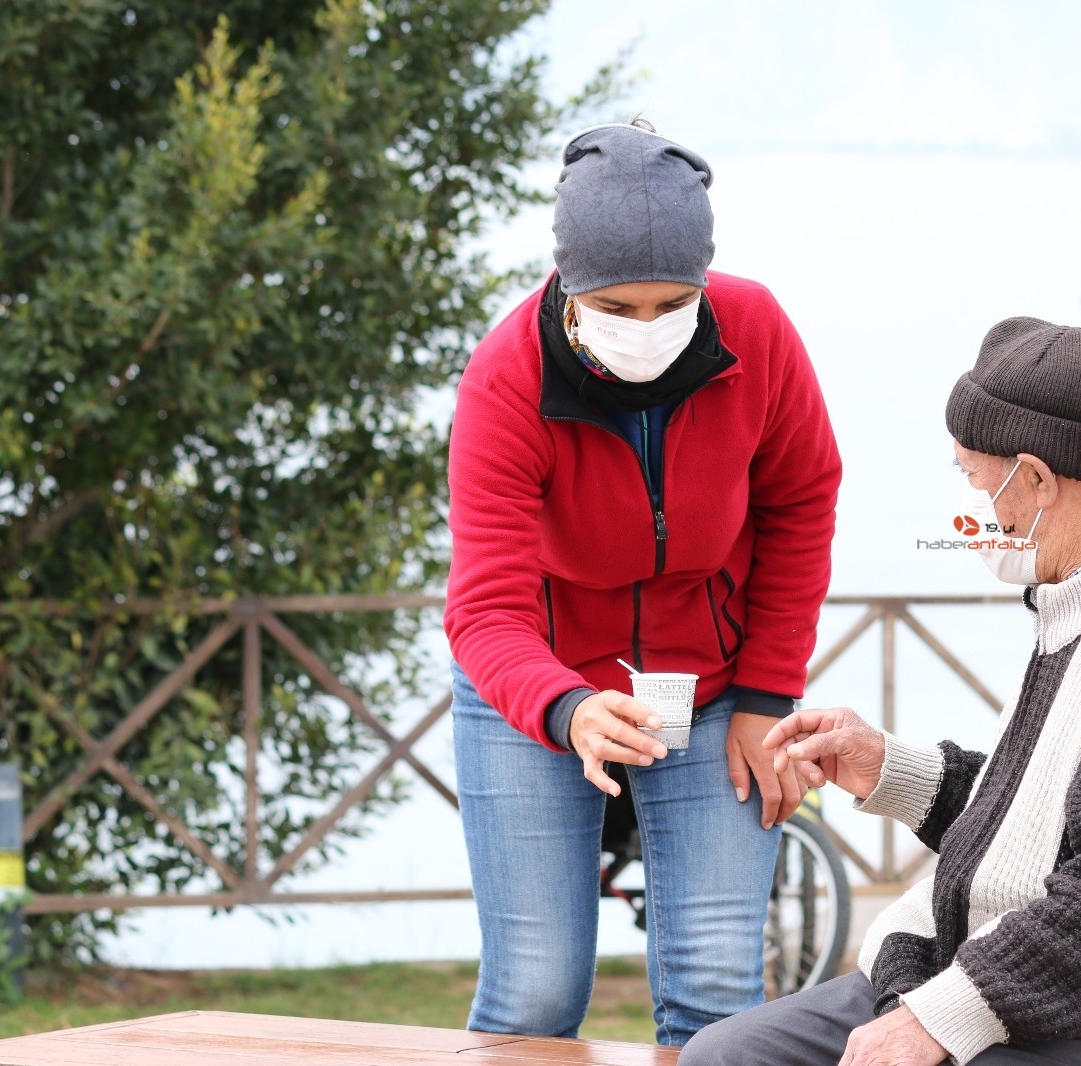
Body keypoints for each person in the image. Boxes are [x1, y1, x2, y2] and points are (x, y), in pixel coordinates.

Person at [681, 318, 1081, 1066]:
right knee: (727, 1056)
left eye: (977, 480)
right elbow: (1049, 827)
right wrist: (887, 768)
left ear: (1038, 479)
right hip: (1022, 974)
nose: (977, 515)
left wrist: (933, 1019)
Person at [444, 120, 841, 1045]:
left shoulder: (760, 335)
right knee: (536, 995)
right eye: (616, 307)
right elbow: (486, 610)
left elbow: (801, 503)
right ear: (569, 288)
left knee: (716, 997)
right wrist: (567, 708)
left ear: (706, 282)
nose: (646, 327)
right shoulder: (506, 379)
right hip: (538, 687)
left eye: (672, 303)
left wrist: (766, 693)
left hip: (714, 693)